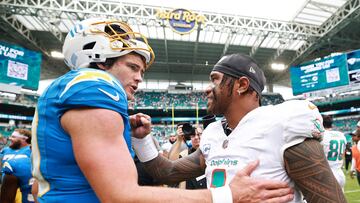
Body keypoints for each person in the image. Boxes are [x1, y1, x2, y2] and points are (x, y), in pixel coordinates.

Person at [31, 18, 294, 203]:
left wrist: (140, 139)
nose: (139, 79)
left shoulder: (283, 125)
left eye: (141, 71)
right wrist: (228, 195)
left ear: (243, 85)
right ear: (99, 59)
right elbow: (131, 190)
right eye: (133, 67)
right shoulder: (96, 85)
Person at [132, 53, 346, 202]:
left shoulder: (283, 124)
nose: (207, 89)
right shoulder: (214, 133)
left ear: (242, 85)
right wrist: (141, 139)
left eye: (215, 80)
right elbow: (167, 172)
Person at [169, 124, 207, 189]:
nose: (196, 137)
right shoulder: (185, 154)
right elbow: (172, 163)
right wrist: (179, 139)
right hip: (188, 192)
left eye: (199, 134)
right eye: (193, 135)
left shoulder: (210, 152)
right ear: (189, 138)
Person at [0, 129, 33, 203]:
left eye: (14, 137)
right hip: (5, 187)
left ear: (24, 139)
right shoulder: (5, 150)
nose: (10, 138)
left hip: (22, 188)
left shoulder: (31, 150)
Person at [320, 115, 347, 189]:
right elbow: (343, 155)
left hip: (327, 174)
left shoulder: (322, 136)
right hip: (340, 173)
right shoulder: (341, 135)